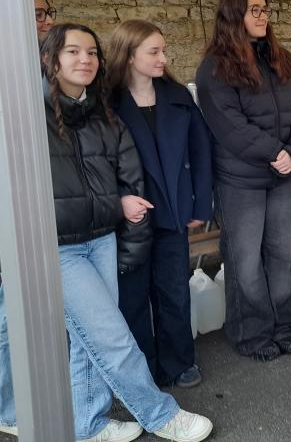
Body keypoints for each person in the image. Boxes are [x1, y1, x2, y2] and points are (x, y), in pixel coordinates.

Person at [0, 24, 212, 441]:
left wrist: (123, 205)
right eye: (73, 51)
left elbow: (122, 172)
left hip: (101, 237)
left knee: (88, 340)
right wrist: (119, 204)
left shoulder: (101, 111)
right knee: (111, 335)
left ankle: (89, 423)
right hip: (58, 246)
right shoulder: (26, 113)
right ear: (50, 59)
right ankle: (160, 414)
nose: (85, 59)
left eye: (92, 52)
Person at [197, 0, 291, 361]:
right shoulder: (215, 68)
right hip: (240, 181)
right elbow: (230, 126)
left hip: (282, 176)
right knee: (244, 262)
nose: (263, 16)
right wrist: (275, 151)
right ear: (234, 15)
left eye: (265, 9)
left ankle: (282, 324)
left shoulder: (283, 60)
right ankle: (251, 332)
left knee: (282, 256)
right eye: (254, 10)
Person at [105, 19, 213, 388]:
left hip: (173, 212)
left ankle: (179, 362)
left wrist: (200, 206)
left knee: (174, 292)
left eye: (163, 50)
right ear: (128, 55)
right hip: (128, 220)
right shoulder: (107, 104)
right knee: (133, 299)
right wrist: (118, 201)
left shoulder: (178, 96)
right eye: (154, 51)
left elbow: (201, 153)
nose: (163, 58)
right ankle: (142, 371)